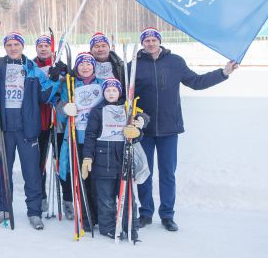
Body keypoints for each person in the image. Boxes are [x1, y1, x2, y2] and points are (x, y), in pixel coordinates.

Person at [134, 27, 237, 232]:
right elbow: (123, 93)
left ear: (160, 42)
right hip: (142, 130)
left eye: (154, 39)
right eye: (147, 40)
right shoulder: (134, 65)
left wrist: (223, 73)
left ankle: (167, 215)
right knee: (143, 173)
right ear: (142, 43)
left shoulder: (175, 62)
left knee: (167, 174)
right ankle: (145, 213)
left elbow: (196, 82)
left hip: (169, 128)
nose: (151, 43)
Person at [0, 31, 60, 230]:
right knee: (3, 171)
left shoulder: (32, 69)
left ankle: (34, 212)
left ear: (23, 47)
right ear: (5, 47)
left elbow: (46, 96)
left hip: (27, 129)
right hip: (5, 127)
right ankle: (3, 208)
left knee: (32, 172)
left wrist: (56, 79)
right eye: (9, 45)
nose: (13, 48)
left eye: (17, 44)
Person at [81, 78, 149, 240]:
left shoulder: (128, 108)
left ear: (119, 92)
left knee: (128, 196)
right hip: (102, 161)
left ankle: (130, 226)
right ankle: (108, 227)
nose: (111, 93)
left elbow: (142, 120)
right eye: (107, 90)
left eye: (114, 90)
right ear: (103, 93)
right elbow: (90, 136)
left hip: (124, 159)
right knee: (105, 198)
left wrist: (139, 129)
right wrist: (87, 158)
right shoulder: (97, 111)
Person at [59, 51, 104, 230]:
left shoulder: (102, 84)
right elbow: (60, 111)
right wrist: (65, 109)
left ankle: (103, 216)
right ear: (77, 67)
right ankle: (87, 217)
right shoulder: (70, 85)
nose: (85, 67)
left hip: (98, 140)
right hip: (77, 137)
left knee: (97, 180)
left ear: (93, 66)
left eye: (88, 64)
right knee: (82, 179)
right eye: (81, 64)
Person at [32, 35, 73, 219]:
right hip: (39, 121)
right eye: (39, 46)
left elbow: (69, 88)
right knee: (38, 164)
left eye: (46, 45)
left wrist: (65, 74)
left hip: (58, 121)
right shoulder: (31, 66)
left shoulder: (61, 65)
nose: (43, 49)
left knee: (61, 162)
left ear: (52, 48)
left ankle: (68, 200)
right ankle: (41, 198)